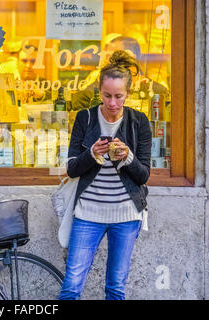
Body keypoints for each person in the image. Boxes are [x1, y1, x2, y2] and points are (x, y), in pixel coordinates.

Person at [58, 50, 151, 300]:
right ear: (99, 92)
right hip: (88, 213)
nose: (112, 103)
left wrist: (127, 156)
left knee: (115, 288)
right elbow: (71, 168)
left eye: (119, 96)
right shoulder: (85, 118)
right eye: (107, 95)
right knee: (71, 286)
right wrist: (92, 154)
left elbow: (143, 176)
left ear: (127, 94)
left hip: (126, 215)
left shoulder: (138, 121)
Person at [71, 35, 168, 110]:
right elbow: (76, 107)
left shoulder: (158, 91)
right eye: (106, 55)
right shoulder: (94, 91)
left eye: (112, 56)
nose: (106, 59)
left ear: (131, 57)